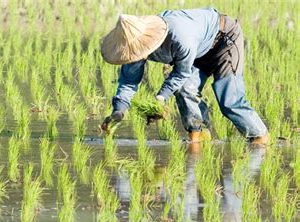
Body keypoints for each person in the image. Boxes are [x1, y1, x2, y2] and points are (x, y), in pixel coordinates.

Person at [99, 8, 269, 145]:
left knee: (229, 101)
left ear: (147, 40)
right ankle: (199, 137)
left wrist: (161, 97)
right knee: (184, 89)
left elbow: (182, 72)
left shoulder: (179, 37)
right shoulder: (133, 48)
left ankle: (260, 139)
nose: (138, 55)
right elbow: (129, 80)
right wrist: (119, 110)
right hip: (197, 49)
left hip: (223, 41)